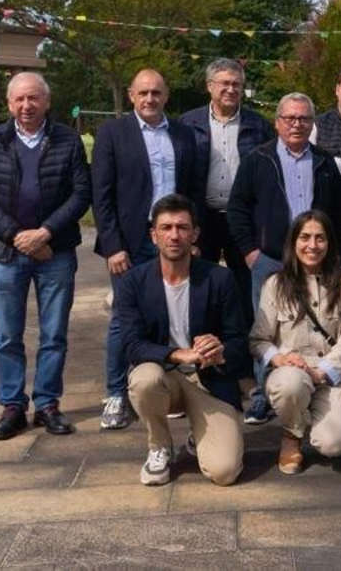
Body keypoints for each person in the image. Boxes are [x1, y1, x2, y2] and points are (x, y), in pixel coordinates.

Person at [0, 72, 91, 441]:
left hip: (55, 251)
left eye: (34, 98)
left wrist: (46, 232)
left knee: (54, 333)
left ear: (47, 102)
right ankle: (13, 406)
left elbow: (81, 193)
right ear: (9, 104)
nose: (27, 106)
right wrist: (17, 235)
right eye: (19, 99)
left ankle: (48, 403)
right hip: (5, 253)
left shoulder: (68, 140)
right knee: (7, 334)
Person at [91, 68, 205, 431]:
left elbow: (194, 191)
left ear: (166, 95)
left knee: (175, 311)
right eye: (143, 93)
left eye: (156, 92)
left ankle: (167, 388)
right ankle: (115, 393)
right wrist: (113, 245)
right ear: (131, 95)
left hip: (176, 238)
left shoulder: (184, 135)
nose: (150, 99)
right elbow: (102, 195)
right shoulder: (113, 133)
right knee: (124, 319)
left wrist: (194, 238)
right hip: (131, 241)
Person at [227, 92, 341, 424]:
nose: (297, 124)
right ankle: (263, 396)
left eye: (304, 119)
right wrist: (251, 252)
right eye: (290, 118)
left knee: (310, 324)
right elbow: (238, 207)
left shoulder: (324, 162)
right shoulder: (258, 159)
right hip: (269, 260)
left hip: (316, 260)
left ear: (312, 124)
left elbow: (339, 212)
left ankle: (312, 385)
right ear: (278, 122)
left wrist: (335, 254)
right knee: (265, 328)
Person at [114, 194, 249, 486]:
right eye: (166, 228)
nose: (174, 235)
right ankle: (159, 445)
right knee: (143, 379)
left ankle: (199, 435)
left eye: (182, 227)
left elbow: (241, 342)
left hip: (210, 380)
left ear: (195, 234)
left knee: (225, 473)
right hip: (165, 377)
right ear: (154, 235)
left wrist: (221, 350)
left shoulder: (220, 279)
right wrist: (177, 354)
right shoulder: (133, 283)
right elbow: (132, 345)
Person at [251, 210, 341, 474]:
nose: (312, 245)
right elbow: (258, 339)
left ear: (330, 243)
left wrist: (321, 372)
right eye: (305, 237)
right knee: (290, 385)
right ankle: (292, 433)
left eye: (320, 238)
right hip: (292, 371)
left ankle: (311, 412)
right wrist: (279, 359)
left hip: (332, 373)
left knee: (334, 444)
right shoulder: (275, 284)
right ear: (293, 242)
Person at [179, 58, 274, 328]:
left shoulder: (258, 125)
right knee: (200, 283)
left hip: (242, 219)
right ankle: (200, 345)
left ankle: (244, 348)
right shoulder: (188, 123)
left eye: (237, 84)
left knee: (246, 284)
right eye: (225, 83)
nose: (231, 89)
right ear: (210, 86)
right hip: (202, 217)